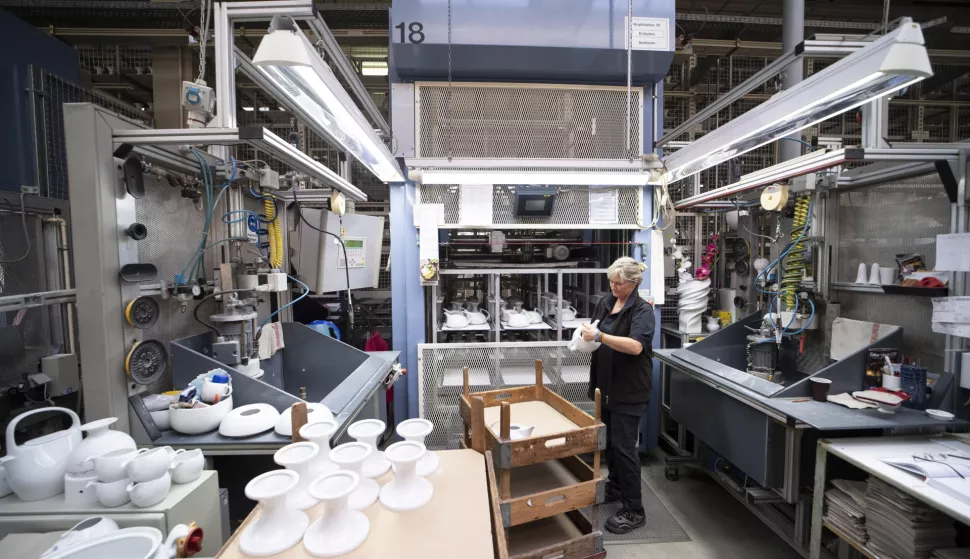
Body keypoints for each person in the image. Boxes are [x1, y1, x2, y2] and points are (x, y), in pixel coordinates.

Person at [582, 256, 655, 535]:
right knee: (610, 443)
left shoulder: (642, 311)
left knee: (624, 448)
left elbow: (636, 346)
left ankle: (634, 510)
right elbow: (593, 331)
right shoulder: (605, 302)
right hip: (606, 387)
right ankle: (615, 486)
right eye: (611, 280)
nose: (613, 286)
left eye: (619, 282)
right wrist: (584, 338)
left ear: (633, 283)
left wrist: (600, 337)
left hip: (629, 389)